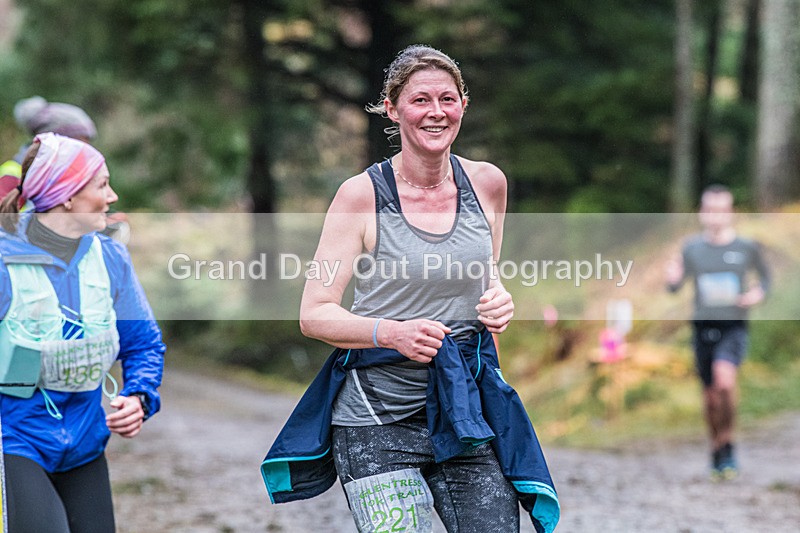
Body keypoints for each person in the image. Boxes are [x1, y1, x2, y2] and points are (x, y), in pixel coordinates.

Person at [261, 45, 559, 532]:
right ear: (392, 108)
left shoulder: (488, 184)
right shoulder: (360, 196)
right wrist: (390, 333)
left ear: (463, 104)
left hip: (463, 411)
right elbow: (314, 312)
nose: (436, 112)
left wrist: (500, 301)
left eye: (448, 98)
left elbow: (487, 278)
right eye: (421, 100)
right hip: (376, 422)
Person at [0, 132, 165, 532]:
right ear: (67, 196)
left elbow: (144, 343)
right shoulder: (4, 264)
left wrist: (138, 396)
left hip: (85, 447)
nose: (113, 197)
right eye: (102, 184)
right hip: (14, 443)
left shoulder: (110, 257)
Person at [666, 184, 770, 481]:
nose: (715, 217)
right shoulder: (692, 248)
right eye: (709, 210)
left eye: (721, 211)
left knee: (725, 382)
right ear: (701, 213)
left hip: (733, 326)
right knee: (711, 396)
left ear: (731, 213)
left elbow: (765, 280)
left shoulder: (746, 247)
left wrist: (756, 295)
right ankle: (716, 447)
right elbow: (675, 285)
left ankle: (728, 443)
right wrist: (672, 278)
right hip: (702, 327)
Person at [1, 96, 129, 242]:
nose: (87, 150)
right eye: (80, 141)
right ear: (58, 143)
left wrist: (102, 223)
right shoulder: (13, 175)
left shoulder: (67, 175)